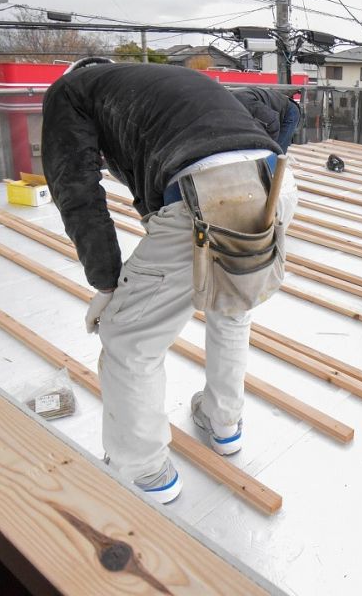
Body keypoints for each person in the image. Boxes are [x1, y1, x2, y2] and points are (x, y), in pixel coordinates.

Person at [42, 58, 297, 504]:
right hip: (278, 184)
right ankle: (224, 423)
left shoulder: (69, 93)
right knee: (231, 304)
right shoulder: (153, 84)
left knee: (127, 340)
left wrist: (107, 283)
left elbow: (77, 189)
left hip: (206, 195)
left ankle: (143, 471)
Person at [233, 86, 302, 153]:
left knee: (277, 151)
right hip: (275, 111)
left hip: (289, 113)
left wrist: (269, 145)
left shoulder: (246, 103)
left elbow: (273, 121)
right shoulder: (233, 103)